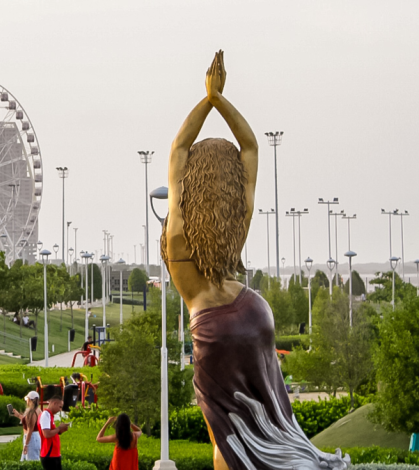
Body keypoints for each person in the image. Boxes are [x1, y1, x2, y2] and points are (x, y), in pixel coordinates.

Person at [163, 51, 348, 469]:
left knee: (232, 441)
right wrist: (219, 99)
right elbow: (249, 146)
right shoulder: (236, 236)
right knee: (264, 432)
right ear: (229, 188)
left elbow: (178, 150)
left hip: (214, 330)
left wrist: (205, 99)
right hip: (253, 315)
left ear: (191, 189)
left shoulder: (181, 257)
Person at [38, 394, 69, 470]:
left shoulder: (50, 415)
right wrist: (59, 428)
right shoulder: (45, 415)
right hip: (49, 455)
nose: (60, 410)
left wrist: (60, 431)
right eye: (60, 407)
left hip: (54, 454)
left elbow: (51, 432)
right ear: (54, 403)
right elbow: (46, 434)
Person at [20, 391, 41, 461]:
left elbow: (30, 430)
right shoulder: (38, 410)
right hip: (35, 437)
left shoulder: (31, 413)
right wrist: (18, 415)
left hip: (31, 438)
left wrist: (26, 444)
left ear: (29, 400)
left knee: (31, 461)